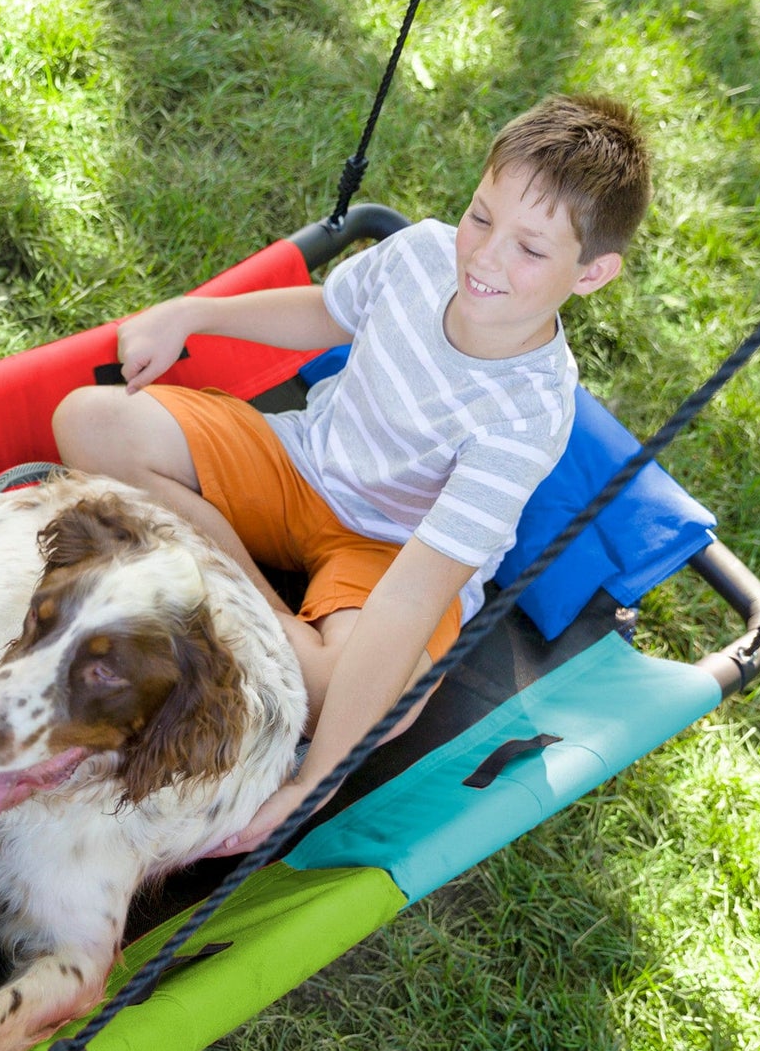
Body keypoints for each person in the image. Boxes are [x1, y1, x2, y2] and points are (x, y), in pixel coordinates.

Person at [52, 93, 652, 854]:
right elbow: (326, 313)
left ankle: (237, 612)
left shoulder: (528, 413)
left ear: (592, 273)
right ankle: (261, 612)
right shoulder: (421, 252)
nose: (484, 257)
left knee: (346, 694)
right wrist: (192, 314)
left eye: (531, 250)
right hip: (300, 462)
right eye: (480, 216)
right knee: (88, 420)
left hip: (389, 553)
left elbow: (410, 595)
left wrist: (314, 782)